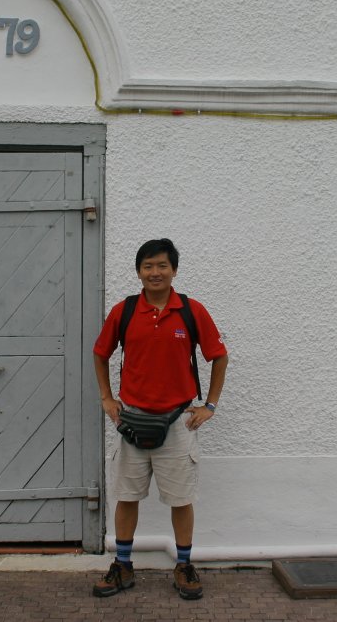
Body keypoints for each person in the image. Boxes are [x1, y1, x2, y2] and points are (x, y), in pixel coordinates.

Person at [91, 238, 228, 601]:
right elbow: (100, 352)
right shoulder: (124, 311)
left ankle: (183, 566)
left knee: (181, 499)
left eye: (162, 265)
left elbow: (219, 355)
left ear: (174, 270)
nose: (155, 272)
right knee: (127, 496)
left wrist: (209, 406)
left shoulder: (191, 311)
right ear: (139, 271)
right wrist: (107, 397)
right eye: (148, 266)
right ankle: (122, 565)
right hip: (132, 422)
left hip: (178, 423)